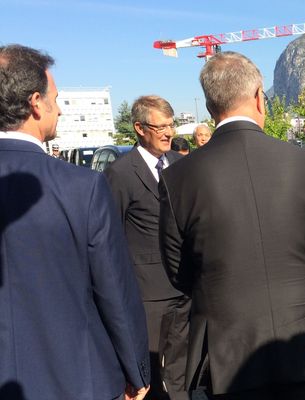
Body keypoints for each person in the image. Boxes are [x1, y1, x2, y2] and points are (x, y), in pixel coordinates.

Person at [158, 51, 305, 400]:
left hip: (229, 353)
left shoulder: (177, 178)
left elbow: (178, 271)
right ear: (260, 98)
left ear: (209, 104)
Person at [0, 44, 150, 400]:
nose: (61, 108)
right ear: (36, 103)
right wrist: (136, 371)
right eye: (56, 98)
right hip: (78, 380)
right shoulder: (81, 186)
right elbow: (112, 286)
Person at [104, 95, 189, 400]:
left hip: (185, 290)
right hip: (146, 296)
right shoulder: (121, 173)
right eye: (160, 127)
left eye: (171, 124)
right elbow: (109, 237)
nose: (169, 132)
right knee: (149, 376)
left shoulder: (181, 164)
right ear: (140, 128)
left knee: (181, 373)